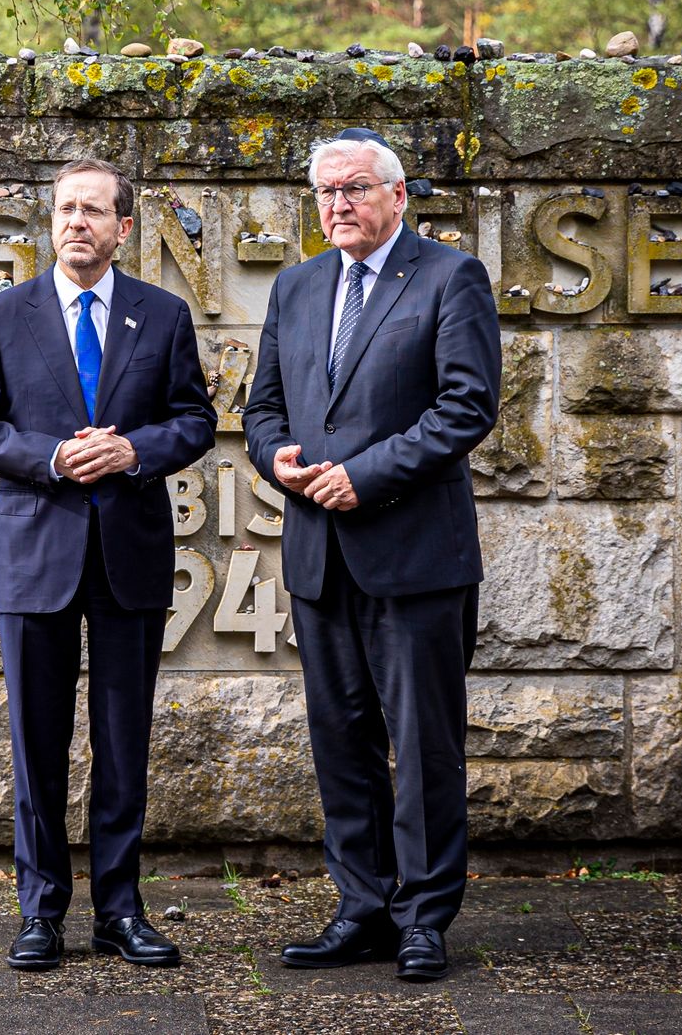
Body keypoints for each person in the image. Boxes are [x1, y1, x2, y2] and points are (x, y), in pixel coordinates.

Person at [242, 128, 501, 983]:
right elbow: (265, 407)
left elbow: (467, 407)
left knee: (425, 742)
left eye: (354, 188)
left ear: (397, 195)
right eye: (325, 192)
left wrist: (367, 475)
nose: (338, 205)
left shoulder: (448, 276)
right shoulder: (297, 284)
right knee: (341, 739)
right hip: (319, 554)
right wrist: (276, 459)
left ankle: (424, 917)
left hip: (414, 554)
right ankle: (361, 907)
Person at [0, 157, 217, 972]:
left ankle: (120, 910)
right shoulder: (4, 315)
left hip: (129, 556)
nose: (78, 222)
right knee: (37, 742)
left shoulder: (162, 315)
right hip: (37, 556)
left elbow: (196, 420)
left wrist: (135, 448)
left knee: (122, 740)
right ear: (51, 220)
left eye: (95, 211)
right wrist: (56, 457)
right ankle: (40, 912)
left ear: (122, 228)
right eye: (67, 209)